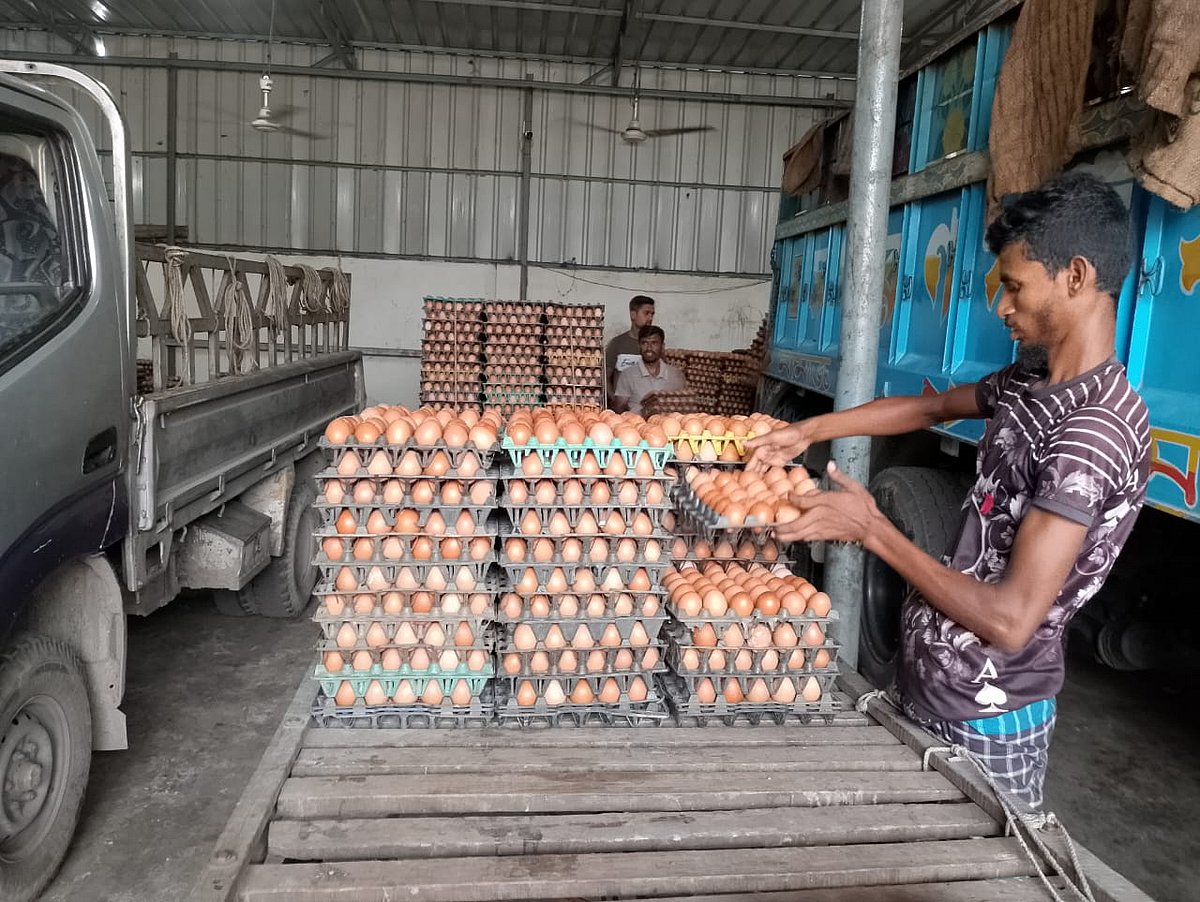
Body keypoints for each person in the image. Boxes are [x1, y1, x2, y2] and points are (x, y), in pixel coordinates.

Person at [746, 172, 1150, 821]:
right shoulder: (1031, 380)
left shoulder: (1092, 432)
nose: (1002, 307)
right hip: (927, 684)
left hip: (987, 722)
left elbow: (1012, 620)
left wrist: (874, 530)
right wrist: (809, 429)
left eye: (1015, 286)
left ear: (1076, 276)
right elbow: (930, 405)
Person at [612, 325, 686, 415]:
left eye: (654, 343)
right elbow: (619, 407)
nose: (649, 348)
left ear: (662, 346)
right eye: (644, 343)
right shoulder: (627, 375)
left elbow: (684, 407)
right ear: (639, 345)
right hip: (638, 427)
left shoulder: (676, 375)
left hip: (668, 426)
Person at [605, 295, 655, 393]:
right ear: (633, 315)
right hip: (621, 406)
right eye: (646, 313)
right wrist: (613, 400)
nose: (650, 318)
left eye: (652, 314)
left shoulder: (655, 346)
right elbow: (606, 377)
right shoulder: (617, 343)